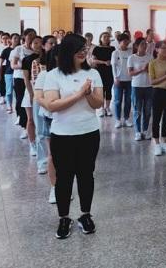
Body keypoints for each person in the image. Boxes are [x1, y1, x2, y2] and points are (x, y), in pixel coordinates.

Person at [43, 34, 104, 239]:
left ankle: (85, 215)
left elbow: (98, 104)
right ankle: (64, 218)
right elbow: (52, 105)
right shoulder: (54, 75)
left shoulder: (93, 73)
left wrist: (88, 93)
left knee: (86, 175)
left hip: (89, 132)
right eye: (78, 49)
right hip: (63, 135)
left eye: (84, 49)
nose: (83, 52)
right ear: (68, 51)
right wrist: (78, 94)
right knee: (64, 178)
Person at [34, 46, 58, 202]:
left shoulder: (71, 74)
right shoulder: (45, 74)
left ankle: (65, 185)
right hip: (51, 117)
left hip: (68, 119)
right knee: (53, 154)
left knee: (67, 156)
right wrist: (53, 106)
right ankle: (55, 188)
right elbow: (39, 98)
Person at [10, 28, 37, 138]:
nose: (32, 37)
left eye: (34, 35)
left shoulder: (36, 49)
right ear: (24, 36)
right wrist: (25, 66)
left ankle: (33, 124)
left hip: (33, 79)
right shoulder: (19, 49)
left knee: (32, 102)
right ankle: (25, 126)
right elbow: (13, 65)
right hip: (20, 78)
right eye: (29, 35)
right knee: (22, 101)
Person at [22, 35, 45, 157]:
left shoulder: (47, 57)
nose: (38, 45)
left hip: (45, 91)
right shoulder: (27, 59)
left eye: (40, 43)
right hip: (31, 90)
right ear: (30, 45)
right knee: (31, 119)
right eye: (35, 43)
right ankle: (32, 144)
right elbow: (26, 78)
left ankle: (43, 143)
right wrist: (31, 94)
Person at [128, 37, 154, 141]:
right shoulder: (132, 58)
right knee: (137, 110)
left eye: (145, 44)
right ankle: (138, 132)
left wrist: (148, 70)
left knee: (147, 111)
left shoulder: (150, 57)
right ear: (136, 46)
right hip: (136, 86)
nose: (144, 46)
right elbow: (130, 73)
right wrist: (142, 69)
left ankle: (145, 131)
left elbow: (153, 72)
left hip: (148, 86)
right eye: (142, 44)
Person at [111, 33, 133, 129]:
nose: (126, 43)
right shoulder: (115, 53)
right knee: (117, 100)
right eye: (124, 41)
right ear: (119, 42)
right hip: (119, 80)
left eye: (127, 41)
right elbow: (113, 67)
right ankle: (118, 120)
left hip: (129, 80)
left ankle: (126, 119)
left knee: (128, 100)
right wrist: (115, 78)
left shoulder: (130, 52)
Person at [91, 32, 114, 117]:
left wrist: (111, 62)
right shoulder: (97, 48)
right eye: (104, 37)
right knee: (101, 90)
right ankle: (101, 108)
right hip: (100, 71)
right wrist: (104, 62)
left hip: (110, 71)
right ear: (100, 38)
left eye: (108, 37)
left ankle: (107, 108)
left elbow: (116, 59)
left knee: (109, 89)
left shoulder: (112, 48)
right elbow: (93, 60)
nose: (106, 38)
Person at [0, 33, 19, 114]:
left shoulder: (20, 49)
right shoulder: (6, 50)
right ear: (10, 40)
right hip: (9, 72)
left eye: (18, 38)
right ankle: (9, 106)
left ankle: (18, 107)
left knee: (18, 91)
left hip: (19, 72)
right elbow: (0, 63)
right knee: (9, 91)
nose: (17, 40)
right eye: (15, 38)